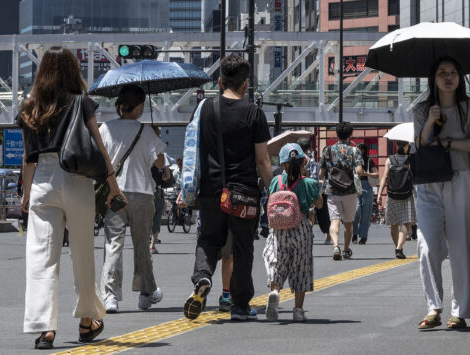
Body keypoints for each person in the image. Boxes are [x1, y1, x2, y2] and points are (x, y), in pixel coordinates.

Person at [19, 47, 123, 349]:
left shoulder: (30, 107)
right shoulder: (81, 102)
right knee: (82, 253)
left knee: (41, 257)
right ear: (71, 71)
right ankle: (87, 319)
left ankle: (45, 328)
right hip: (76, 178)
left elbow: (29, 157)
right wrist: (112, 183)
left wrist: (26, 193)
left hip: (43, 181)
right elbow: (98, 145)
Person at [182, 54, 272, 322]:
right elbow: (262, 159)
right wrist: (274, 191)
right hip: (244, 194)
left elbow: (193, 149)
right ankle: (240, 306)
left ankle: (202, 277)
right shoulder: (254, 113)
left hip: (211, 190)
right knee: (243, 247)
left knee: (208, 240)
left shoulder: (205, 109)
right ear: (246, 84)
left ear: (220, 81)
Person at [413, 57, 470, 330]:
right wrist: (431, 121)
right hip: (429, 183)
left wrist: (449, 142)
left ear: (460, 77)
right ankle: (433, 307)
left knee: (460, 248)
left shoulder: (469, 108)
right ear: (433, 78)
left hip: (461, 180)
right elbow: (420, 143)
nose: (448, 77)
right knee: (427, 246)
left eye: (453, 72)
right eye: (442, 73)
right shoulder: (423, 109)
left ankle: (460, 311)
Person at [99, 84, 166, 313]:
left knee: (113, 244)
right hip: (142, 193)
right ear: (138, 106)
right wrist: (156, 139)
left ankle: (110, 297)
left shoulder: (105, 129)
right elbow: (160, 164)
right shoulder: (146, 131)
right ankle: (145, 294)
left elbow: (98, 160)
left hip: (114, 192)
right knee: (142, 245)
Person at [263, 143, 323, 322]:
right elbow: (319, 204)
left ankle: (275, 292)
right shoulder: (309, 183)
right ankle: (298, 310)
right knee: (301, 267)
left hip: (279, 228)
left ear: (282, 165)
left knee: (277, 262)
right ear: (304, 162)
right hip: (301, 227)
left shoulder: (276, 181)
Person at [318, 123, 365, 260]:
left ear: (336, 135)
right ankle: (345, 249)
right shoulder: (354, 151)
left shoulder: (327, 150)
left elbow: (321, 174)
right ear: (350, 135)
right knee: (349, 222)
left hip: (332, 190)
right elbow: (359, 171)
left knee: (334, 220)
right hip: (349, 191)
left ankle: (335, 246)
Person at [376, 140, 416, 258]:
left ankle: (398, 248)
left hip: (392, 194)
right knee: (406, 222)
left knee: (394, 223)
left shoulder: (390, 160)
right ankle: (399, 248)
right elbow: (414, 178)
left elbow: (384, 177)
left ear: (396, 145)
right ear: (407, 146)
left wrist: (379, 194)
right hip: (407, 194)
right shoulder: (410, 160)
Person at [351, 143, 377, 244]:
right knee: (356, 211)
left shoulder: (369, 161)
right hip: (355, 186)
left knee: (366, 213)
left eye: (359, 149)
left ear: (363, 150)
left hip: (367, 186)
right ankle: (354, 233)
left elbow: (377, 174)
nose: (357, 151)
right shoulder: (353, 161)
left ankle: (363, 236)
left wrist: (366, 173)